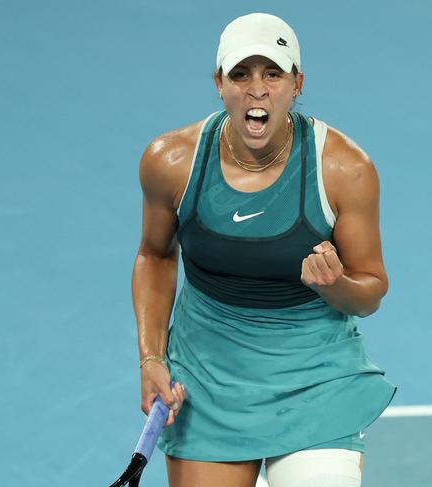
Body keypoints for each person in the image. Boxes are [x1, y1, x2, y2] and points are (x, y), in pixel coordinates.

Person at [131, 12, 397, 487]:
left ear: (297, 83)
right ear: (219, 83)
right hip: (207, 383)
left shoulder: (344, 169)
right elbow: (155, 255)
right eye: (241, 74)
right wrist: (152, 358)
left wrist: (336, 286)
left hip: (313, 382)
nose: (257, 89)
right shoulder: (170, 161)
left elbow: (371, 290)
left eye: (273, 73)